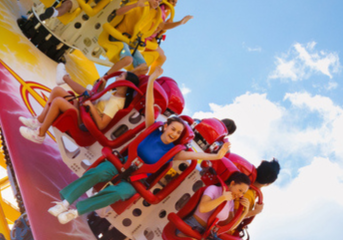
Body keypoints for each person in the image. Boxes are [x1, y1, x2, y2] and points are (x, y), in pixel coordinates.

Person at [50, 74, 227, 224]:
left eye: (178, 133)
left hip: (135, 181)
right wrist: (151, 82)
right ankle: (65, 202)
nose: (174, 134)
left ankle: (76, 211)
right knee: (99, 172)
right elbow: (150, 104)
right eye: (173, 129)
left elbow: (197, 154)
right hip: (121, 164)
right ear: (165, 126)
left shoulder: (175, 151)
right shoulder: (152, 128)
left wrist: (217, 155)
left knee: (118, 192)